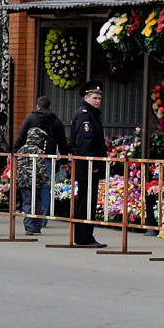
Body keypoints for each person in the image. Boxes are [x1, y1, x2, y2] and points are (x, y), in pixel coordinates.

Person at [13, 96, 69, 227]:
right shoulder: (56, 121)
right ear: (50, 107)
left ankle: (30, 219)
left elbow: (21, 136)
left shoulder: (30, 118)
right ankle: (42, 219)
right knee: (45, 187)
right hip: (47, 158)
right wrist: (64, 160)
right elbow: (62, 142)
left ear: (37, 106)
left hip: (28, 157)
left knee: (28, 187)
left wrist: (15, 152)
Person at [69, 80, 107, 248]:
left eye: (99, 98)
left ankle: (86, 236)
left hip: (87, 166)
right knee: (86, 201)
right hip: (87, 167)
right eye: (94, 98)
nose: (97, 101)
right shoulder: (85, 114)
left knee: (87, 201)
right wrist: (93, 164)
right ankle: (84, 237)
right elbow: (85, 143)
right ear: (86, 97)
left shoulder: (90, 113)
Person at [14, 126, 49, 235]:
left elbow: (17, 166)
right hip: (36, 181)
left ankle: (29, 226)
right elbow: (42, 168)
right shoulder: (39, 151)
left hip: (24, 181)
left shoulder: (21, 150)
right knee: (37, 202)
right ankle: (35, 225)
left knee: (27, 202)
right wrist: (46, 180)